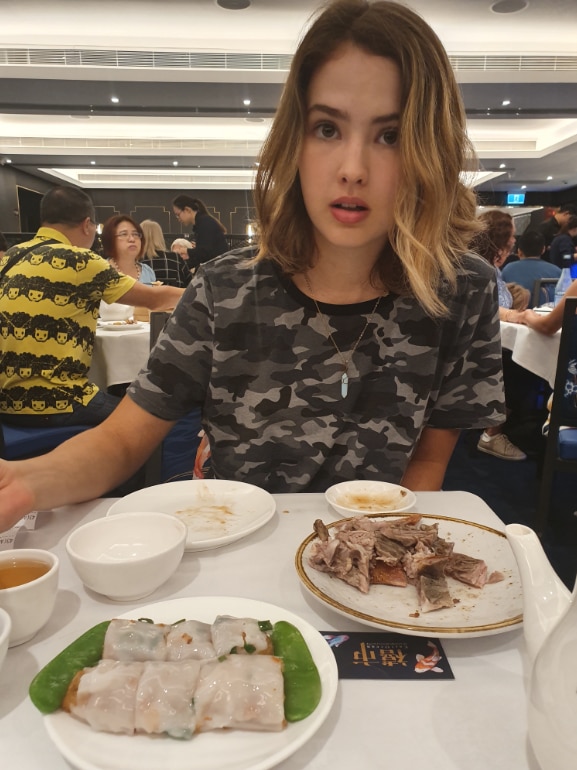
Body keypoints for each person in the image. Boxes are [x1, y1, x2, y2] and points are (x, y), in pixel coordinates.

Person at [0, 0, 506, 533]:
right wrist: (24, 484)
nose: (352, 170)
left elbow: (428, 461)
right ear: (295, 140)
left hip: (376, 550)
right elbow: (124, 438)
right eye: (327, 129)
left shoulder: (463, 289)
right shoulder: (225, 286)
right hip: (233, 550)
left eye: (391, 136)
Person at [0, 186, 184, 430]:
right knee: (159, 422)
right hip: (61, 402)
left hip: (5, 403)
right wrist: (210, 291)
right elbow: (155, 300)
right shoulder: (81, 260)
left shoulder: (11, 256)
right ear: (87, 225)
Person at [469, 209, 529, 461]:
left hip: (481, 344)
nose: (514, 240)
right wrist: (515, 315)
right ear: (500, 238)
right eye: (512, 235)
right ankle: (493, 434)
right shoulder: (480, 269)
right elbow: (487, 307)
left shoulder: (492, 269)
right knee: (517, 367)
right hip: (477, 349)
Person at [501, 229, 560, 304]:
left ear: (519, 251)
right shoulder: (557, 271)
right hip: (548, 314)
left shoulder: (507, 270)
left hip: (515, 313)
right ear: (543, 249)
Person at [171, 195, 229, 269]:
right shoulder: (202, 222)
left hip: (218, 269)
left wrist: (186, 251)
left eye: (178, 215)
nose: (178, 218)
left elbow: (205, 252)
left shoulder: (204, 223)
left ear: (187, 210)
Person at [101, 215, 156, 284]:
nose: (132, 239)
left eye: (135, 234)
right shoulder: (101, 271)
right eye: (124, 234)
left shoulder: (148, 271)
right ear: (110, 239)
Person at [140, 219, 192, 289]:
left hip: (145, 299)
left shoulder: (137, 262)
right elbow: (191, 285)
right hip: (176, 298)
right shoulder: (176, 259)